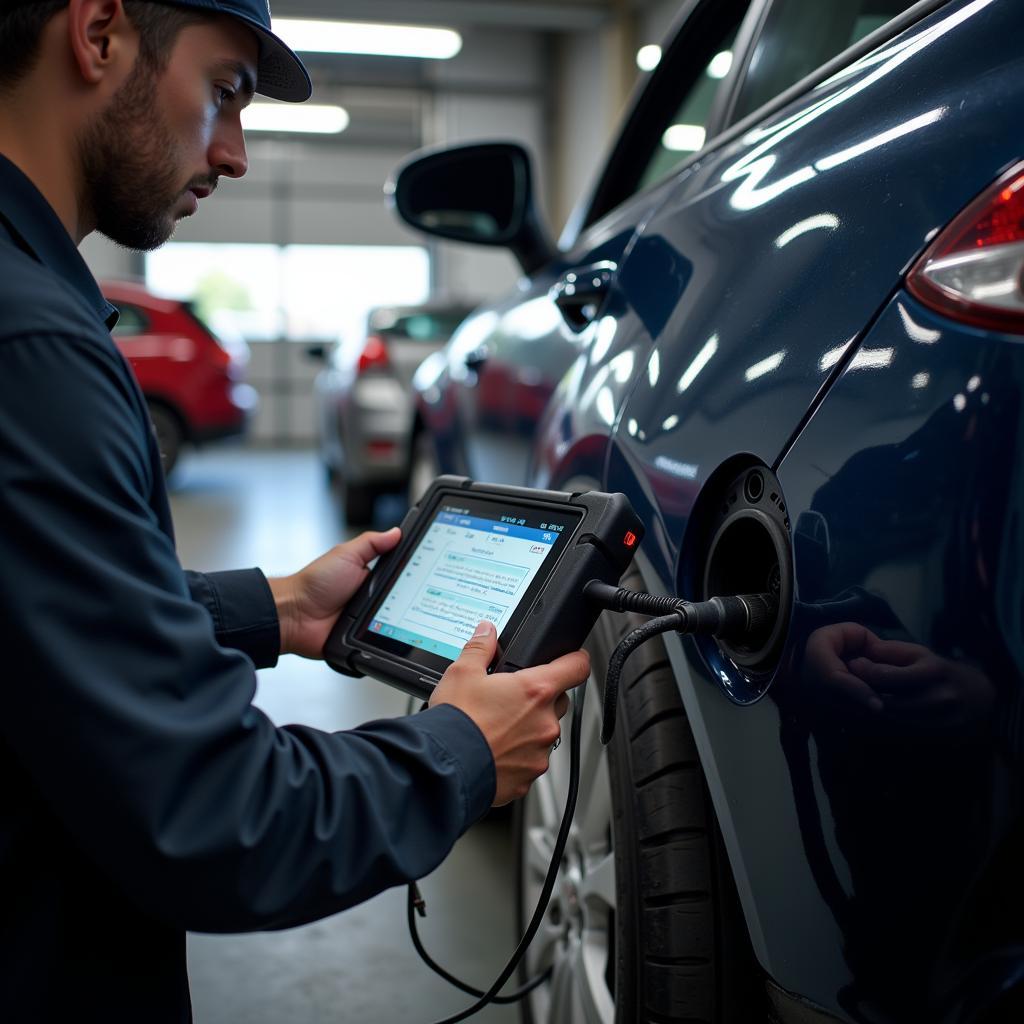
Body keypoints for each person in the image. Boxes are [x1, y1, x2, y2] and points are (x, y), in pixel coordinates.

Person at [0, 1, 590, 1020]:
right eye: (225, 91)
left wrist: (270, 606)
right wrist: (457, 751)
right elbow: (209, 814)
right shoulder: (33, 350)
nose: (232, 152)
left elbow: (33, 614)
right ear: (98, 34)